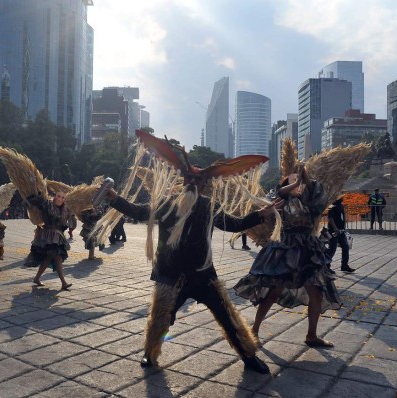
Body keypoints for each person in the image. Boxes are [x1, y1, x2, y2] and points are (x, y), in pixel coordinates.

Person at [102, 131, 281, 373]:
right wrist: (114, 198)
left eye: (198, 181)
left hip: (204, 275)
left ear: (204, 184)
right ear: (182, 180)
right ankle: (150, 354)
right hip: (172, 275)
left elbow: (234, 224)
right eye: (189, 179)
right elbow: (139, 211)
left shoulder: (209, 206)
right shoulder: (167, 203)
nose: (193, 183)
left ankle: (249, 357)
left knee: (228, 317)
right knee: (161, 319)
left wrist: (260, 214)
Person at [234, 165, 341, 349]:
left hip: (308, 250)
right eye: (292, 181)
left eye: (299, 182)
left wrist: (306, 179)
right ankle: (255, 330)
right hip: (285, 250)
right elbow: (279, 193)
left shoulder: (311, 202)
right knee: (273, 292)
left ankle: (312, 335)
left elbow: (318, 194)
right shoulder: (281, 200)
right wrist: (295, 183)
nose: (297, 184)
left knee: (316, 292)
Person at [24, 191, 73, 289]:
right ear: (55, 196)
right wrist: (36, 192)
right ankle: (63, 283)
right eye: (58, 196)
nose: (60, 199)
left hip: (58, 237)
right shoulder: (47, 204)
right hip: (48, 236)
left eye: (63, 197)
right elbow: (33, 200)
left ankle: (37, 278)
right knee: (57, 257)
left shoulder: (65, 209)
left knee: (49, 258)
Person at [326, 195, 354, 273]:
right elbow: (330, 218)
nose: (342, 198)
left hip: (341, 231)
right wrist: (335, 228)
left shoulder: (341, 206)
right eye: (340, 197)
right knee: (332, 249)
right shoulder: (332, 206)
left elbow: (342, 218)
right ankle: (326, 266)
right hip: (334, 231)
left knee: (345, 247)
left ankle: (344, 265)